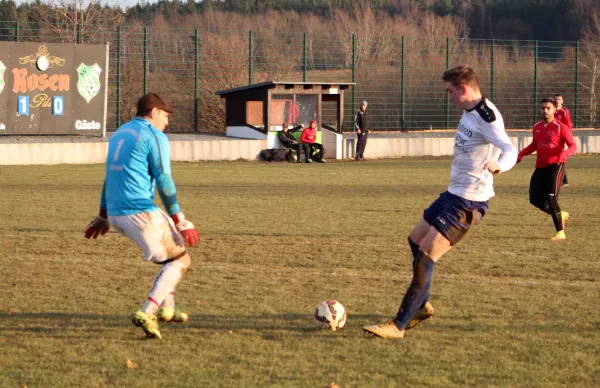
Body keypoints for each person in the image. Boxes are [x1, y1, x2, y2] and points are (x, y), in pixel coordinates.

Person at [363, 66, 518, 339]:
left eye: (450, 92)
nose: (449, 97)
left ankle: (398, 326)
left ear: (464, 89)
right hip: (453, 193)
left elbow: (509, 148)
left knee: (426, 255)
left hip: (470, 200)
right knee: (415, 238)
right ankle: (422, 305)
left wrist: (500, 166)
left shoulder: (488, 117)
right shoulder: (469, 110)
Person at [84, 93, 200, 340]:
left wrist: (103, 214)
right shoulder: (154, 135)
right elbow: (163, 179)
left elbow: (109, 177)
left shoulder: (121, 134)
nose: (167, 122)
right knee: (180, 261)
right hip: (139, 211)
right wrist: (180, 218)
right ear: (154, 111)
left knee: (175, 248)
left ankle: (168, 309)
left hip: (117, 213)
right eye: (166, 116)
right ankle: (148, 311)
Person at [517, 97, 577, 241]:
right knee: (535, 199)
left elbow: (573, 146)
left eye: (548, 108)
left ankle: (560, 232)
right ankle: (560, 214)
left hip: (556, 166)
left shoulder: (561, 127)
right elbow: (534, 145)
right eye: (543, 108)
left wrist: (564, 155)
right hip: (540, 166)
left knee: (551, 198)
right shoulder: (537, 126)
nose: (545, 110)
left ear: (554, 110)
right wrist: (521, 154)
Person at [554, 94, 573, 187]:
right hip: (553, 137)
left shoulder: (564, 111)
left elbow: (568, 125)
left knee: (559, 157)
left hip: (561, 137)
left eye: (559, 99)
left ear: (562, 101)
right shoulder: (551, 110)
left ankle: (564, 180)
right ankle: (563, 180)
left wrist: (568, 137)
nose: (557, 100)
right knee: (555, 157)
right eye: (556, 99)